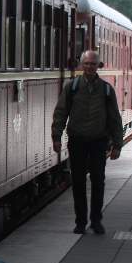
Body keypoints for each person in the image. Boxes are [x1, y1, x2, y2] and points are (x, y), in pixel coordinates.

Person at [52, 50, 124, 235]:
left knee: (98, 181)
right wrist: (56, 137)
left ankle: (96, 221)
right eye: (87, 64)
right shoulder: (72, 87)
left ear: (98, 66)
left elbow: (115, 118)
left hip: (99, 142)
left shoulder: (107, 89)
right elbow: (61, 112)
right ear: (82, 65)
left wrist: (117, 144)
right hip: (77, 141)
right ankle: (80, 222)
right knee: (78, 183)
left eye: (93, 64)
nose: (90, 67)